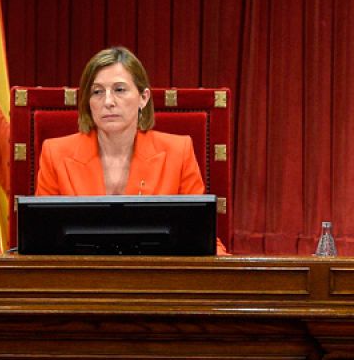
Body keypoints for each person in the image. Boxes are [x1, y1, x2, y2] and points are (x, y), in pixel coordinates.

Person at [35, 46, 226, 253]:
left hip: (156, 279)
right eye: (97, 92)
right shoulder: (55, 154)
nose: (108, 102)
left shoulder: (178, 152)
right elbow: (42, 242)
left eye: (119, 89)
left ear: (143, 98)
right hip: (82, 279)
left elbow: (201, 240)